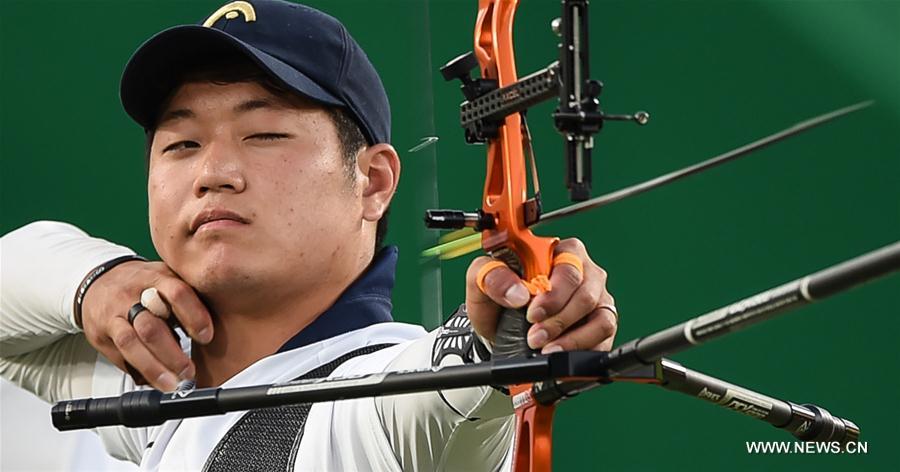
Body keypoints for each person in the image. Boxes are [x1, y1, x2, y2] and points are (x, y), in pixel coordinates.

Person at [0, 0, 618, 470]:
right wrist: (98, 283)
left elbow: (441, 399)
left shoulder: (372, 399)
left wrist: (498, 339)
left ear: (373, 180)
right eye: (182, 145)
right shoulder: (155, 374)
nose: (213, 173)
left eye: (264, 135)